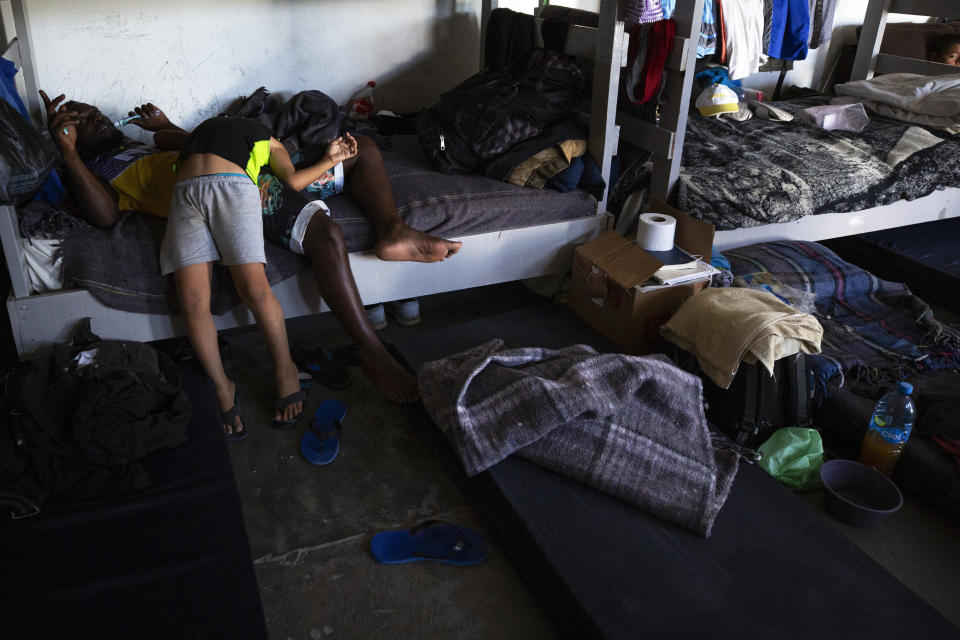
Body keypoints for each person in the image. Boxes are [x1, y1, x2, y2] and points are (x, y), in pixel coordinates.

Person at [40, 90, 462, 438]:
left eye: (95, 112)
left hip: (248, 163)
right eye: (85, 121)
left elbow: (200, 141)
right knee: (325, 234)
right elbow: (104, 216)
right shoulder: (100, 171)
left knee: (364, 147)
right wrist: (69, 154)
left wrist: (165, 126)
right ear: (71, 141)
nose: (97, 118)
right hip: (240, 186)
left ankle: (393, 229)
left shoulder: (136, 144)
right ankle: (371, 352)